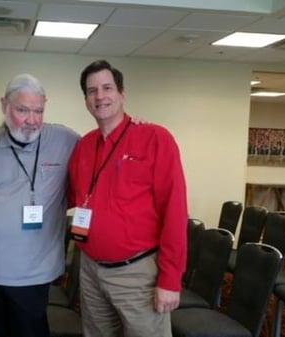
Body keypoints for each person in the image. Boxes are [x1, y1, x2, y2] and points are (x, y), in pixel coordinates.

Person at [68, 60, 188, 337]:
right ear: (85, 99)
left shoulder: (155, 138)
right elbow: (69, 196)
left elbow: (175, 211)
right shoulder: (84, 146)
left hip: (137, 274)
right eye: (92, 90)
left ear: (122, 94)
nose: (100, 96)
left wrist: (170, 279)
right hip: (90, 270)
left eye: (107, 88)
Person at [0, 74, 79, 337]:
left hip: (35, 272)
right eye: (22, 110)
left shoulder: (65, 140)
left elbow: (102, 149)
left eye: (38, 110)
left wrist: (133, 127)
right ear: (4, 105)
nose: (32, 120)